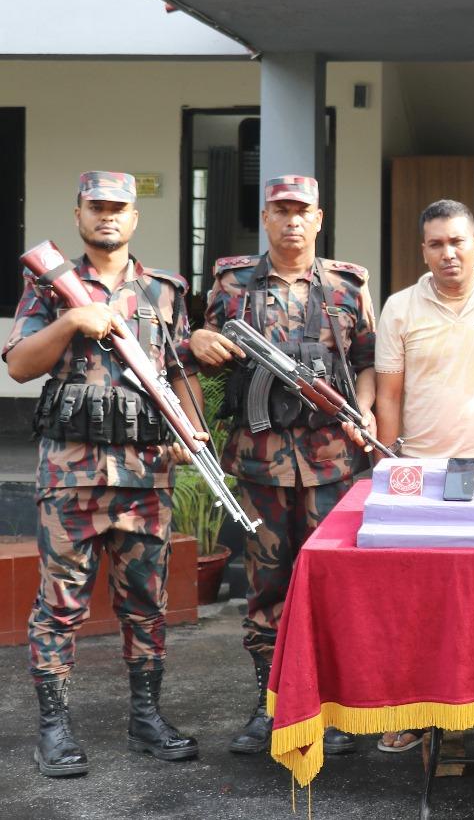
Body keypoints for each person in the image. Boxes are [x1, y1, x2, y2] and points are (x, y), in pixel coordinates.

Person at [5, 171, 203, 776]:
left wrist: (193, 433)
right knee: (59, 607)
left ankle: (147, 719)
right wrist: (72, 321)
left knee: (146, 605)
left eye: (119, 207)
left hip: (146, 477)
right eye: (97, 206)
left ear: (134, 218)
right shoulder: (48, 284)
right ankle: (54, 729)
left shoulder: (163, 291)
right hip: (72, 477)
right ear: (79, 215)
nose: (108, 215)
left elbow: (180, 371)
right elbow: (19, 365)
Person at [190, 175, 378, 757]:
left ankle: (331, 709)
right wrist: (199, 340)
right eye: (281, 211)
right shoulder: (232, 283)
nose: (292, 220)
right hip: (260, 462)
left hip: (331, 462)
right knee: (266, 586)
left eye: (302, 211)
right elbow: (205, 352)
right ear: (265, 218)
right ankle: (269, 706)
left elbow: (368, 361)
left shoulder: (347, 286)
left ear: (319, 219)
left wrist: (365, 409)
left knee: (329, 587)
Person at [372, 198, 474, 754]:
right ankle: (417, 712)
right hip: (423, 475)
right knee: (421, 602)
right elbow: (388, 395)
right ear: (423, 251)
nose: (449, 253)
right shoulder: (399, 308)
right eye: (437, 244)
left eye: (458, 242)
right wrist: (389, 468)